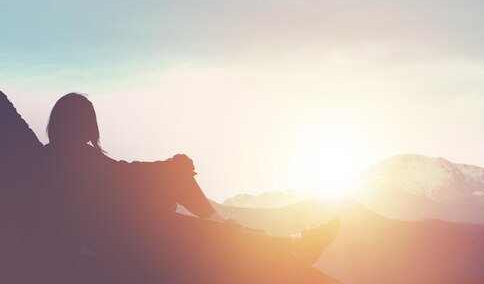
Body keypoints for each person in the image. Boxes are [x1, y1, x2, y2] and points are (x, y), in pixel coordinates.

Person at [40, 93, 340, 283]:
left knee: (194, 201)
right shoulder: (71, 158)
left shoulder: (63, 156)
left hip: (125, 232)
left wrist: (170, 167)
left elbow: (124, 173)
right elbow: (123, 176)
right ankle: (293, 242)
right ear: (84, 124)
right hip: (126, 241)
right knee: (215, 232)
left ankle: (291, 241)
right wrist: (170, 167)